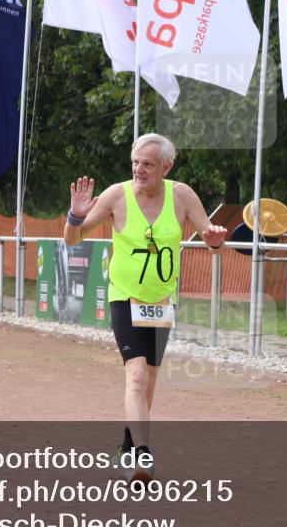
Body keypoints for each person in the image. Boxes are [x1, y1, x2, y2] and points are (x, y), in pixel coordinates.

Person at [64, 133, 227, 482]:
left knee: (149, 381)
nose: (140, 169)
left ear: (166, 167)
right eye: (136, 162)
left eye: (148, 164)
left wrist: (214, 241)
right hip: (125, 297)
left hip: (161, 302)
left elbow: (210, 237)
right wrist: (75, 217)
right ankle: (142, 455)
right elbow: (71, 239)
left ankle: (128, 444)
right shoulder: (116, 196)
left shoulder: (181, 195)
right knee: (136, 375)